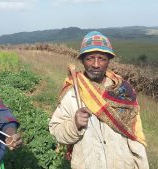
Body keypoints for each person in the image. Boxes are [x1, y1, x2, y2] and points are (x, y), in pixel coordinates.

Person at [49, 31, 149, 169]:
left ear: (109, 60)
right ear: (82, 60)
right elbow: (56, 132)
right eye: (90, 58)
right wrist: (74, 125)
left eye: (101, 58)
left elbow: (135, 135)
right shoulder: (72, 93)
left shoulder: (124, 92)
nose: (96, 64)